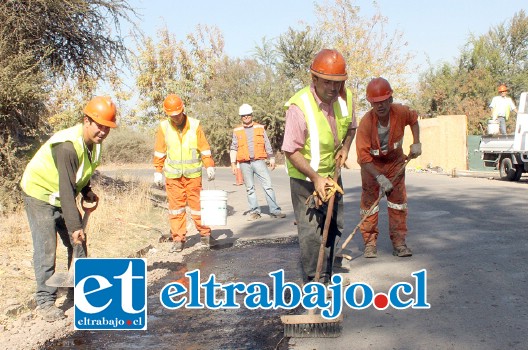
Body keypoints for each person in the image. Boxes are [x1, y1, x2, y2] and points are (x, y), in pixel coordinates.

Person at [20, 96, 117, 321]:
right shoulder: (67, 146)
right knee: (46, 247)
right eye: (99, 125)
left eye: (107, 127)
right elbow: (65, 190)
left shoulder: (95, 144)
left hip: (63, 194)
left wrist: (86, 191)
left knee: (79, 244)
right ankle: (45, 301)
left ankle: (77, 292)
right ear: (87, 121)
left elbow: (79, 175)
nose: (103, 131)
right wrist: (75, 226)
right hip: (40, 194)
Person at [281, 49, 356, 284]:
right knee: (311, 231)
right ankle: (315, 281)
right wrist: (315, 177)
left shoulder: (346, 98)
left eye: (339, 83)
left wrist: (344, 148)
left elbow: (351, 128)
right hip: (305, 179)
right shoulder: (299, 107)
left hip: (332, 174)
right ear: (314, 79)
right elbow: (290, 149)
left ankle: (329, 269)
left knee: (334, 223)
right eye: (328, 83)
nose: (334, 89)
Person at [356, 77, 421, 258]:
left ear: (390, 99)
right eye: (375, 103)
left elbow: (414, 119)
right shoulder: (366, 123)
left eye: (383, 101)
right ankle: (369, 244)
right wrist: (379, 177)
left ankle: (399, 243)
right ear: (370, 103)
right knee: (369, 205)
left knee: (398, 204)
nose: (380, 106)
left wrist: (417, 142)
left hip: (395, 163)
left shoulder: (400, 112)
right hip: (372, 167)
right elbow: (363, 157)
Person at [153, 94, 215, 253]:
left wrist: (209, 165)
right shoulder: (163, 127)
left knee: (198, 207)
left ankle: (205, 235)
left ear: (183, 110)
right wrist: (158, 171)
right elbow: (160, 151)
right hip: (173, 177)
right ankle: (178, 240)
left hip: (193, 176)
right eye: (172, 116)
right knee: (176, 209)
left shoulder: (195, 125)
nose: (175, 118)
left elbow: (204, 148)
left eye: (177, 114)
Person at [230, 103, 286, 221]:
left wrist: (271, 158)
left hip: (259, 161)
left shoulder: (259, 128)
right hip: (245, 163)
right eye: (243, 115)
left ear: (251, 115)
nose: (246, 117)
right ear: (241, 117)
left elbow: (267, 143)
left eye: (248, 115)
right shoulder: (237, 130)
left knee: (268, 186)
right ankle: (255, 212)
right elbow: (233, 147)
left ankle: (275, 211)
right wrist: (233, 164)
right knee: (250, 188)